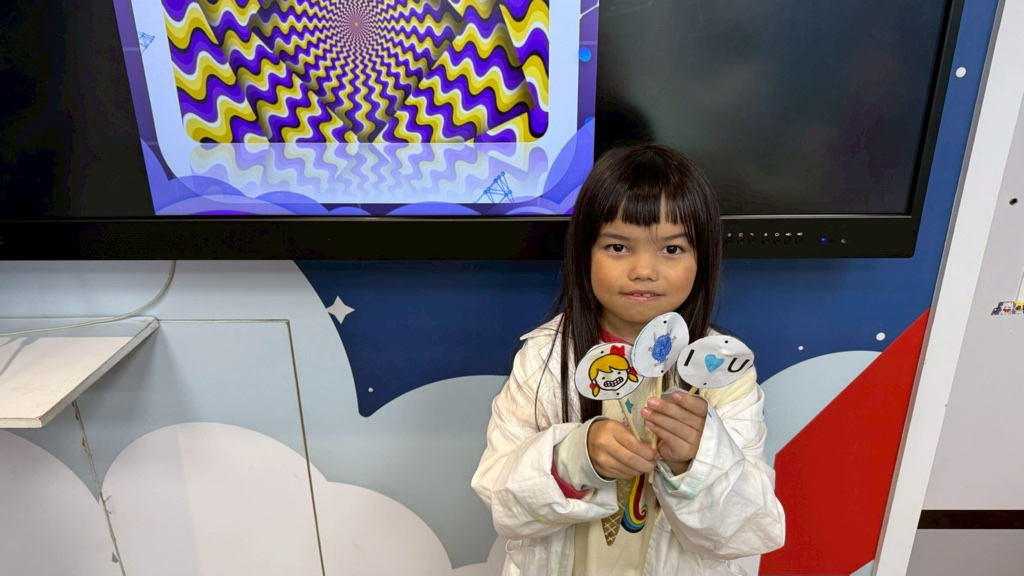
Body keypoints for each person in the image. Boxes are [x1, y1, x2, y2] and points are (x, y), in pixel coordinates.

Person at [471, 142, 785, 575]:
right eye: (618, 247)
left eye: (672, 249)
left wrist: (695, 461)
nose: (643, 271)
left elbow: (746, 531)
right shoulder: (544, 357)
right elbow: (500, 497)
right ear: (584, 252)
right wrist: (574, 458)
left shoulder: (720, 370)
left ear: (704, 259)